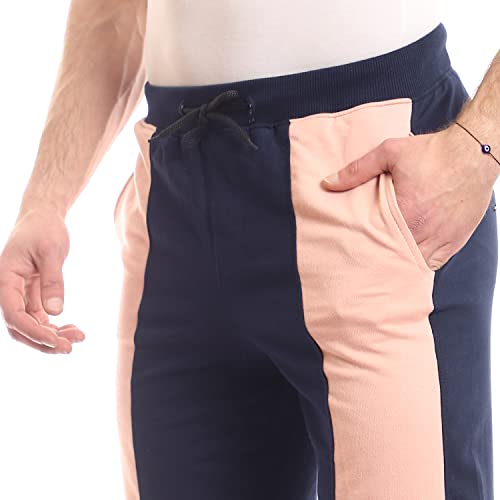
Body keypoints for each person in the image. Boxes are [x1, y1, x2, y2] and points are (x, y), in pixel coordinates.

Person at [0, 0, 498, 498]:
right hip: (175, 211)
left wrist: (479, 146)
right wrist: (46, 200)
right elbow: (116, 13)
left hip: (366, 184)